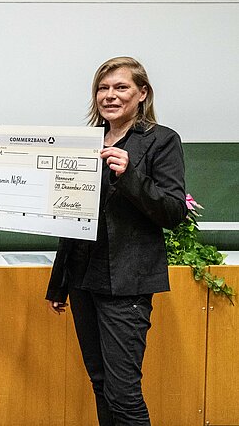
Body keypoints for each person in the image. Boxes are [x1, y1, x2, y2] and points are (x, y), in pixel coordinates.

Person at [46, 56, 187, 425]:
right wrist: (59, 284)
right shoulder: (83, 143)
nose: (109, 95)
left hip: (127, 284)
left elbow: (173, 211)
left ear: (142, 93)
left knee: (124, 393)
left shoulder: (161, 141)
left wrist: (130, 176)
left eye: (120, 87)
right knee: (101, 383)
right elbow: (71, 216)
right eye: (103, 88)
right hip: (83, 280)